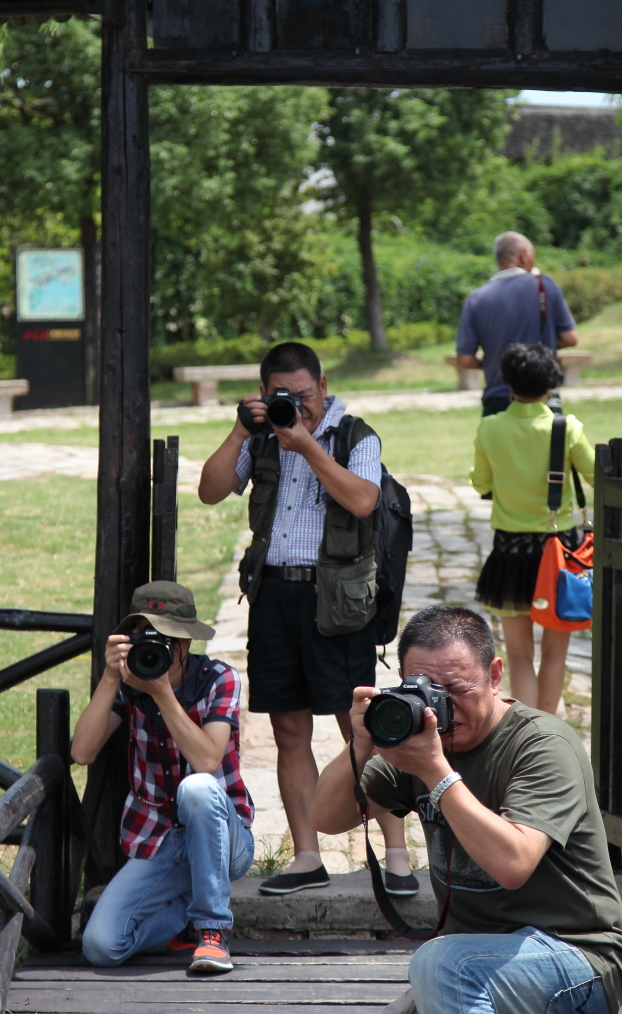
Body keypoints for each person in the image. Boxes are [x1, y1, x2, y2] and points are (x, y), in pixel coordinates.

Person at [311, 605, 622, 1014]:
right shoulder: (420, 744)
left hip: (577, 958)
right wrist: (360, 744)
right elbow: (326, 818)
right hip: (478, 958)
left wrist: (436, 773)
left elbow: (512, 864)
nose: (443, 707)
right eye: (427, 690)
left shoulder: (543, 745)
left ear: (495, 676)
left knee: (438, 964)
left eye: (458, 688)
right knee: (435, 973)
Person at [198, 341, 415, 896]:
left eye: (306, 394)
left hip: (337, 602)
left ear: (324, 383)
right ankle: (307, 856)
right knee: (289, 730)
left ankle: (397, 856)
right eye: (282, 396)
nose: (298, 404)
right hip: (274, 597)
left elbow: (364, 499)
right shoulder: (265, 435)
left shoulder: (354, 435)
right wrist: (242, 432)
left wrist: (308, 445)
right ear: (265, 392)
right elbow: (210, 489)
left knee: (360, 728)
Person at [73, 581, 255, 976]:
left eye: (167, 639)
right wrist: (109, 677)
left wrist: (162, 695)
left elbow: (207, 760)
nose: (154, 650)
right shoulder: (129, 682)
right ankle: (185, 920)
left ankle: (212, 930)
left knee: (197, 788)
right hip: (160, 842)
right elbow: (82, 752)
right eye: (145, 637)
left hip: (225, 837)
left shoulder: (218, 679)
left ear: (186, 644)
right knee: (101, 945)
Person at [470, 342, 595, 714]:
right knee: (555, 654)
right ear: (550, 384)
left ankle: (528, 733)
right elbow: (596, 474)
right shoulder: (566, 427)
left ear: (508, 383)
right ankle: (551, 733)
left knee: (520, 654)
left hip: (511, 552)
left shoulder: (490, 427)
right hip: (560, 550)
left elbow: (480, 483)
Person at [457, 231, 579, 417]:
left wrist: (498, 361)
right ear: (523, 255)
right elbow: (570, 338)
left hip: (497, 397)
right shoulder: (544, 286)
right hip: (543, 395)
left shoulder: (476, 299)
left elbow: (464, 359)